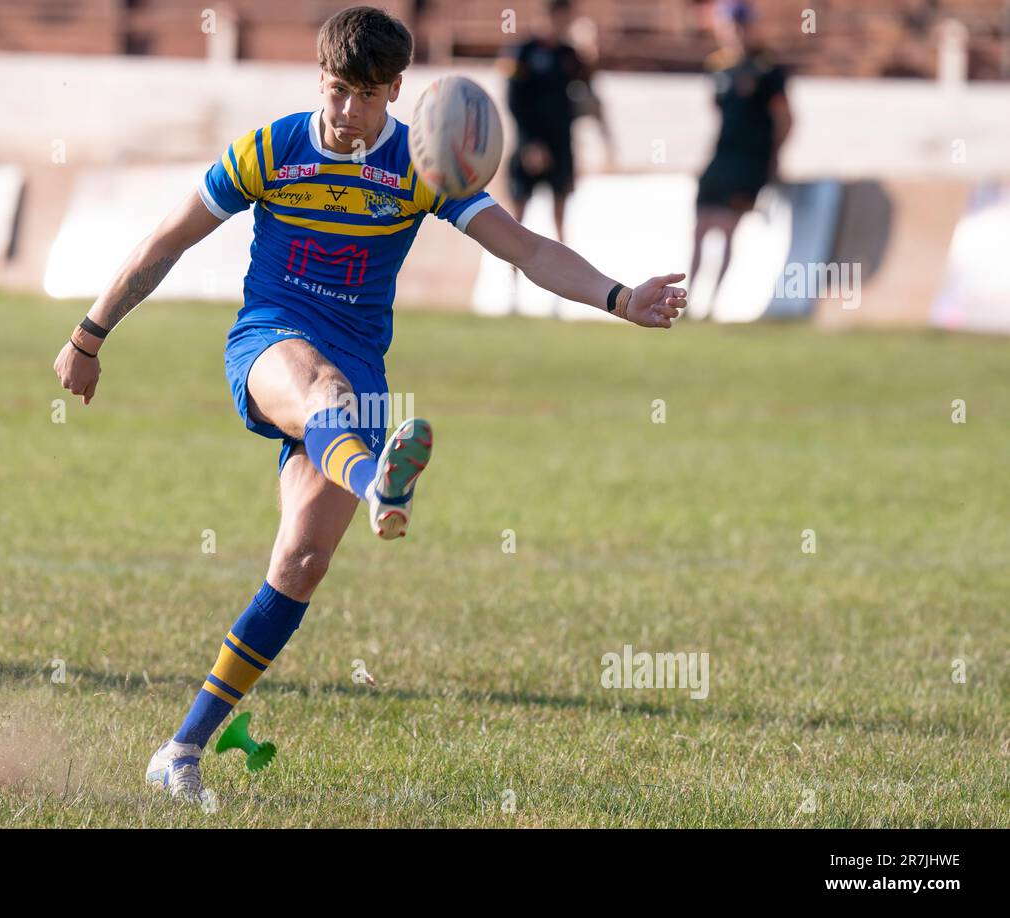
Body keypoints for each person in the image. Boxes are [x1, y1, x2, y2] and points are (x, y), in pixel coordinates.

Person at [52, 5, 686, 802]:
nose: (344, 111)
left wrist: (620, 297)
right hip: (270, 344)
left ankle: (180, 750)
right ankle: (378, 479)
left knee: (302, 563)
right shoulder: (271, 150)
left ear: (395, 91)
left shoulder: (421, 167)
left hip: (362, 373)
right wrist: (89, 334)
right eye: (334, 89)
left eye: (363, 95)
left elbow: (526, 249)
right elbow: (166, 240)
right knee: (323, 391)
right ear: (319, 76)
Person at [690, 0, 792, 318]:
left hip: (749, 162)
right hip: (721, 157)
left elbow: (784, 118)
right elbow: (718, 111)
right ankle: (688, 302)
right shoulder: (718, 66)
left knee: (725, 227)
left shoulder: (767, 68)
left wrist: (774, 158)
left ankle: (711, 303)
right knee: (700, 228)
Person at [499, 0, 614, 252]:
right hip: (530, 143)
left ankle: (564, 273)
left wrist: (592, 53)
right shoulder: (522, 51)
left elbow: (587, 87)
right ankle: (511, 277)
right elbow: (513, 101)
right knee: (518, 213)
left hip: (561, 142)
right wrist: (530, 143)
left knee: (561, 211)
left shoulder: (570, 54)